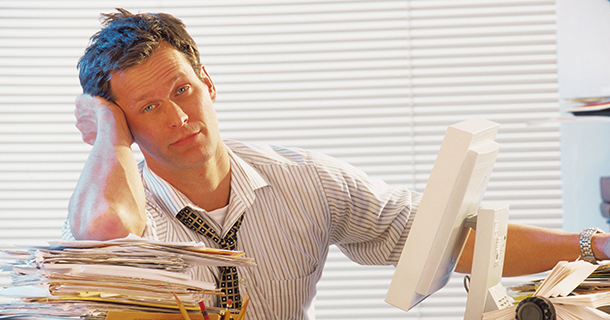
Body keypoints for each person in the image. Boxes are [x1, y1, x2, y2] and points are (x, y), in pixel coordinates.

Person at [63, 8, 610, 320]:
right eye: (149, 109)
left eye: (183, 90)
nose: (180, 118)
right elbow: (104, 232)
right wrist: (108, 133)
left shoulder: (302, 179)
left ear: (209, 83)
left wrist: (592, 246)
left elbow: (447, 236)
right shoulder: (117, 206)